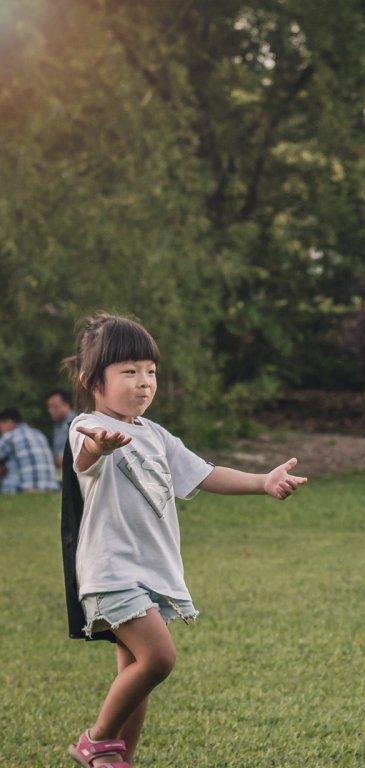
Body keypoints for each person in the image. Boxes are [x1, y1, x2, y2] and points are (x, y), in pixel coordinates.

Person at [61, 313, 308, 767]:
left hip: (151, 570)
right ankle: (95, 741)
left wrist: (262, 481)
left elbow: (205, 472)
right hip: (111, 570)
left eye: (150, 371)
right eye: (129, 371)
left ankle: (119, 759)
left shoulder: (155, 435)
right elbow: (85, 456)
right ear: (92, 380)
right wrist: (100, 445)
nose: (144, 382)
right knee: (158, 659)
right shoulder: (86, 424)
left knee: (136, 668)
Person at [0, 407, 60, 493]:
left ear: (9, 422)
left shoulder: (9, 437)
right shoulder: (39, 434)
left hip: (24, 489)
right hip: (51, 488)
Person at [47, 388, 78, 468]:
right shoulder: (57, 425)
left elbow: (70, 460)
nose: (50, 410)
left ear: (66, 405)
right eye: (49, 407)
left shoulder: (76, 423)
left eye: (54, 407)